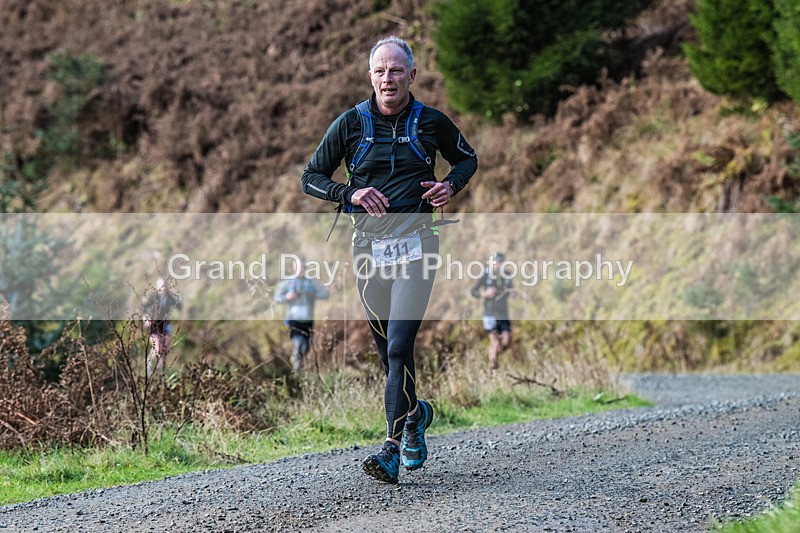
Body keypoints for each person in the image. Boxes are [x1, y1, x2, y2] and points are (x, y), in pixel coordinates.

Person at [301, 36, 477, 483]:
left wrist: (449, 186)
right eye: (380, 71)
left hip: (418, 246)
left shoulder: (431, 122)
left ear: (412, 76)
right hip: (368, 252)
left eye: (396, 70)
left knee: (399, 345)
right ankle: (416, 415)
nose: (388, 78)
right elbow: (311, 177)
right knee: (387, 352)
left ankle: (391, 449)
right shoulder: (350, 124)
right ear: (370, 77)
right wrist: (350, 192)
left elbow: (467, 159)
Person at [274, 258, 330, 371]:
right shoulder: (287, 282)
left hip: (308, 320)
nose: (301, 269)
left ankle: (301, 368)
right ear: (294, 268)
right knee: (299, 343)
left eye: (304, 267)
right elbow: (277, 298)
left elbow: (325, 294)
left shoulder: (311, 283)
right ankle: (296, 368)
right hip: (293, 320)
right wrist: (287, 297)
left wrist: (312, 294)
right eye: (299, 267)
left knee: (306, 347)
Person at [471, 252, 513, 370]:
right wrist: (484, 294)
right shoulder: (485, 275)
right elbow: (473, 291)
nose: (498, 265)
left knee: (506, 341)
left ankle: (493, 355)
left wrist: (512, 293)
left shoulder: (507, 275)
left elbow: (510, 289)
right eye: (496, 262)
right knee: (495, 341)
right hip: (489, 312)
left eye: (500, 262)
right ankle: (492, 366)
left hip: (503, 312)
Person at [142, 278, 181, 378]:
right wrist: (145, 318)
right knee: (158, 348)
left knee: (165, 349)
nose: (162, 288)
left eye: (164, 285)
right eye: (161, 286)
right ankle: (149, 363)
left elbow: (179, 307)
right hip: (154, 324)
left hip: (165, 324)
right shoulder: (153, 297)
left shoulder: (169, 297)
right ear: (157, 287)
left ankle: (161, 371)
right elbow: (144, 308)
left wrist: (177, 294)